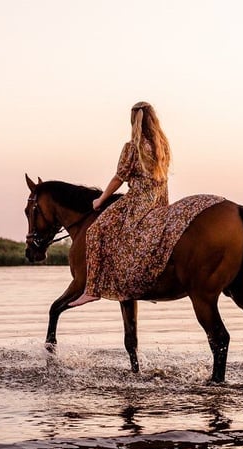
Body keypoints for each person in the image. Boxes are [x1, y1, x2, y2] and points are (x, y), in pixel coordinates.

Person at [69, 101, 172, 307]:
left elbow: (119, 178)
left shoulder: (132, 147)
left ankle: (92, 290)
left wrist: (101, 199)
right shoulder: (163, 146)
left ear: (134, 121)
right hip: (159, 199)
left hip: (138, 199)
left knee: (95, 232)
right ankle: (147, 283)